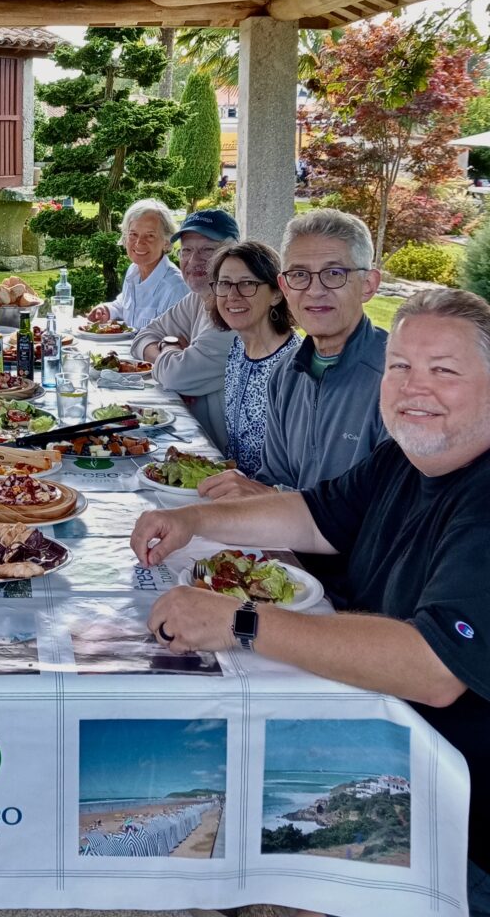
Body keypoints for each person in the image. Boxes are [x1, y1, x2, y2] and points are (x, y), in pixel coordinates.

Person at [131, 288, 490, 910]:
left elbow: (434, 669)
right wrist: (195, 519)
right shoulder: (406, 458)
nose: (413, 388)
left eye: (445, 371)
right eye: (400, 366)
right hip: (375, 732)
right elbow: (312, 516)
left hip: (451, 816)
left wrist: (241, 620)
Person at [198, 208, 386, 501]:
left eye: (334, 273)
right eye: (299, 275)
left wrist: (265, 495)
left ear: (369, 285)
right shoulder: (286, 374)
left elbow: (389, 512)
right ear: (285, 286)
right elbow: (272, 478)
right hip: (283, 539)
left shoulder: (398, 379)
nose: (314, 290)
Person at [129, 209, 240, 451]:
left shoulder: (234, 311)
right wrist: (172, 352)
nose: (193, 260)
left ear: (231, 258)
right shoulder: (200, 297)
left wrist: (167, 347)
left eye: (207, 250)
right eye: (187, 250)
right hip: (195, 436)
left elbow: (175, 376)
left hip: (229, 457)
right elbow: (141, 338)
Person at [207, 242, 301, 479]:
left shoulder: (295, 366)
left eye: (247, 283)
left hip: (276, 504)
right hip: (233, 490)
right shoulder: (238, 347)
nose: (232, 295)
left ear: (277, 293)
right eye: (225, 283)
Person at [86, 199, 189, 330]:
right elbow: (127, 305)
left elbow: (176, 345)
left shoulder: (176, 288)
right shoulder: (133, 271)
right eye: (133, 234)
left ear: (166, 241)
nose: (139, 243)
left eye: (150, 236)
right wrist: (108, 310)